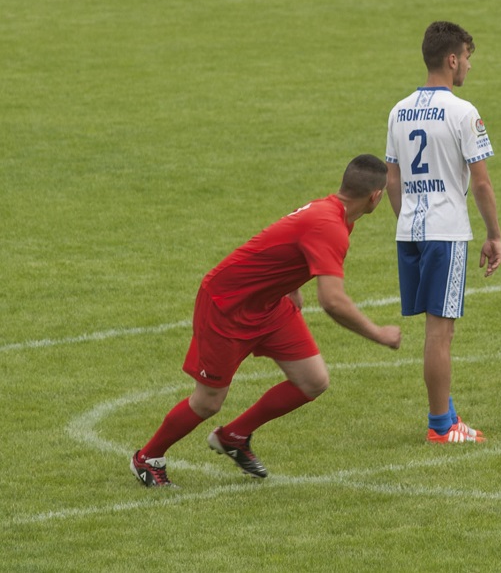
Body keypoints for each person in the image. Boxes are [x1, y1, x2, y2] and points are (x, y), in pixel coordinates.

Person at [130, 154, 402, 487]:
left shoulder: (332, 212)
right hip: (226, 306)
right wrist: (379, 333)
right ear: (375, 196)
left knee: (313, 380)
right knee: (208, 401)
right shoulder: (330, 225)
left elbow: (285, 243)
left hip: (270, 305)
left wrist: (291, 286)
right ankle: (148, 458)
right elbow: (332, 301)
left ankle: (234, 436)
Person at [385, 21, 501, 444]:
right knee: (441, 332)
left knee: (434, 331)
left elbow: (392, 179)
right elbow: (483, 183)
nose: (468, 67)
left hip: (410, 230)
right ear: (452, 59)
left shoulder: (399, 110)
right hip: (446, 231)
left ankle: (446, 412)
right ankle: (441, 425)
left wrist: (407, 216)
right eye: (467, 58)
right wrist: (494, 234)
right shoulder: (462, 111)